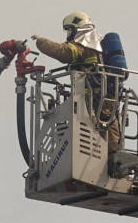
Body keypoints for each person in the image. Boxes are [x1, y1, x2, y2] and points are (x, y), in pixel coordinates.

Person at [32, 11, 121, 155]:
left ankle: (95, 162)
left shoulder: (83, 45)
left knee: (89, 136)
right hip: (110, 98)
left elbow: (63, 52)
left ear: (76, 28)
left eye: (69, 30)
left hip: (90, 101)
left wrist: (40, 41)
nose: (68, 34)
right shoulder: (101, 44)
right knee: (110, 133)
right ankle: (111, 162)